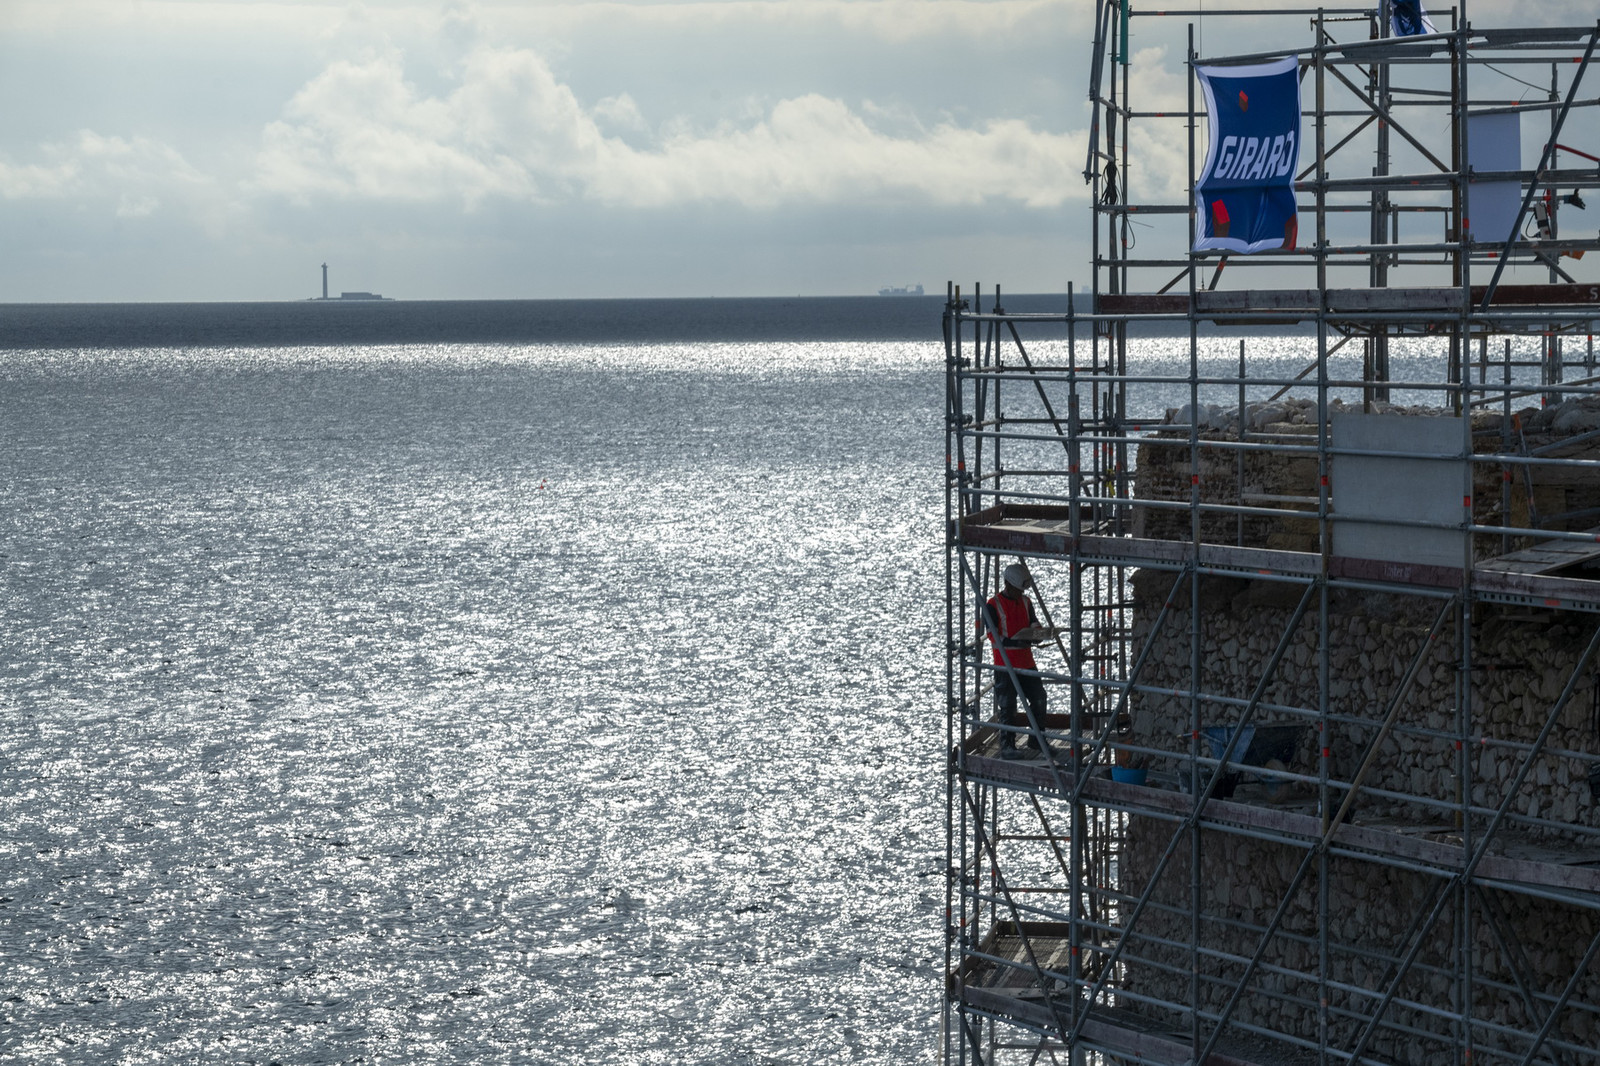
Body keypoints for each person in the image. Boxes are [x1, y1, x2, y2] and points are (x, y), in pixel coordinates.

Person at [981, 563, 1052, 758]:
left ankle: (1037, 739)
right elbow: (993, 635)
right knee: (1008, 705)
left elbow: (1033, 621)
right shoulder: (992, 605)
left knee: (1039, 698)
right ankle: (1007, 745)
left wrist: (1039, 633)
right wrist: (1018, 640)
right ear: (1007, 584)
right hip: (1005, 665)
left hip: (1026, 661)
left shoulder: (1026, 602)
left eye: (1021, 590)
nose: (1019, 593)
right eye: (1016, 589)